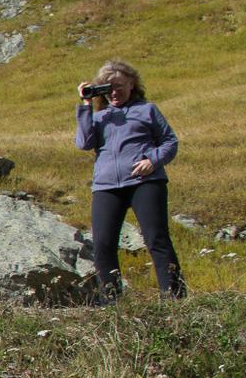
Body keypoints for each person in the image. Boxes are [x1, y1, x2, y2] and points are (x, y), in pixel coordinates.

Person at [75, 60, 183, 302]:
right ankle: (112, 305)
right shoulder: (101, 117)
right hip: (106, 187)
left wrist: (152, 161)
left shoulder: (147, 110)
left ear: (131, 84)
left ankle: (174, 299)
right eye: (107, 88)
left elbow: (170, 142)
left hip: (145, 182)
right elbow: (83, 143)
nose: (114, 93)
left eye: (119, 86)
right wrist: (85, 105)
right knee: (102, 245)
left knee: (156, 238)